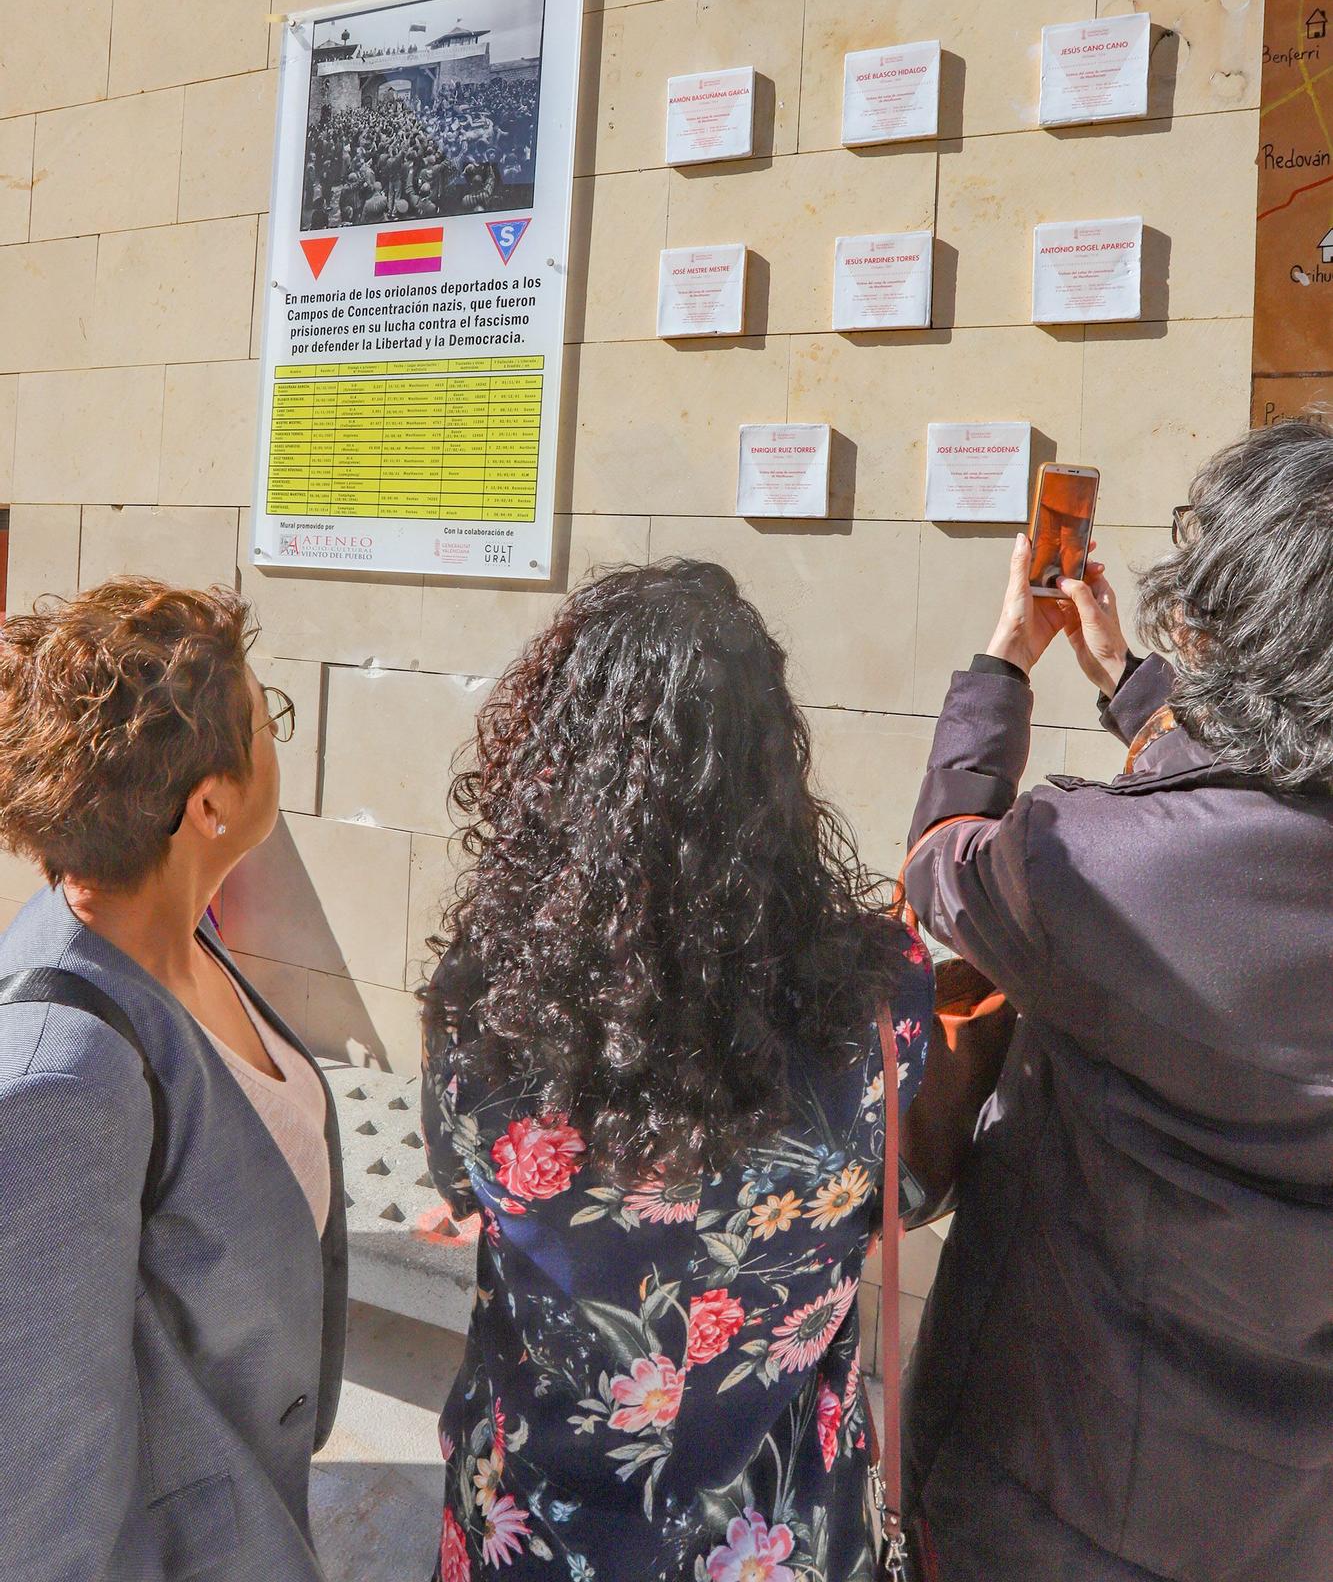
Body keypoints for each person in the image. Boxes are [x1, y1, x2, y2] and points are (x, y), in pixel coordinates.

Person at [419, 560, 934, 1581]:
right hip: (777, 1532)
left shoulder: (484, 1000)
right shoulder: (882, 993)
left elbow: (456, 1180)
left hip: (537, 1525)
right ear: (773, 765)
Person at [901, 419, 1333, 1582]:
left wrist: (1001, 664)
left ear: (1218, 628)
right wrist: (1134, 690)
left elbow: (943, 864)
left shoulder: (1088, 862)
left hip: (1051, 1485)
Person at [0, 578, 347, 1580]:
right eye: (265, 718)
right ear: (209, 801)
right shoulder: (55, 1077)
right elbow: (33, 1479)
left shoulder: (173, 930)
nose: (275, 737)